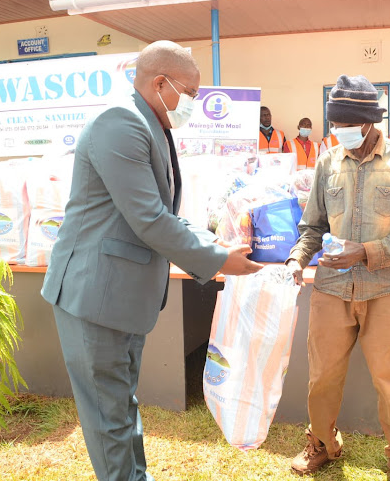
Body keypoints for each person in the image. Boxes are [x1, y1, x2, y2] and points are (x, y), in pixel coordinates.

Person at [41, 40, 263, 481]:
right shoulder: (120, 123)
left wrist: (218, 241)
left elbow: (166, 214)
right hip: (94, 295)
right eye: (191, 93)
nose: (194, 104)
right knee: (110, 417)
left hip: (121, 297)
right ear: (160, 82)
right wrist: (218, 259)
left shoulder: (151, 122)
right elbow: (149, 219)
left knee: (121, 406)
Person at [285, 74, 390, 480]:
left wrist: (365, 251)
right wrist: (298, 259)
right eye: (334, 123)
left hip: (385, 288)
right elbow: (312, 225)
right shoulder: (327, 161)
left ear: (368, 122)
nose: (338, 131)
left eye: (346, 123)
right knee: (323, 375)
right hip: (331, 289)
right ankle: (322, 443)